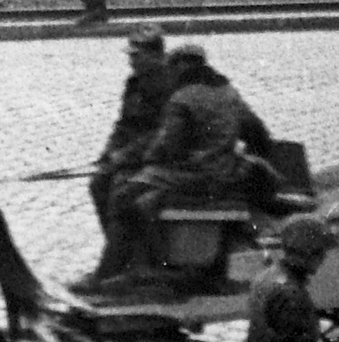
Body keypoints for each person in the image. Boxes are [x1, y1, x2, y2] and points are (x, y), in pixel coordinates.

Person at [113, 43, 279, 280]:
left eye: (173, 67)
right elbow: (258, 134)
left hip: (197, 175)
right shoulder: (228, 92)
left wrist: (138, 159)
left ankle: (138, 268)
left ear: (181, 67)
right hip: (226, 172)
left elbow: (167, 148)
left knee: (124, 194)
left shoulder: (183, 97)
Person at [72, 26, 173, 293]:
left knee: (122, 191)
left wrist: (124, 157)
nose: (131, 60)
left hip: (157, 160)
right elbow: (123, 126)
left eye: (137, 55)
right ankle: (126, 258)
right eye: (131, 55)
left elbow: (160, 134)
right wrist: (107, 154)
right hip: (133, 158)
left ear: (155, 55)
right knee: (97, 184)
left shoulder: (167, 86)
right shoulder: (134, 84)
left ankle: (110, 270)